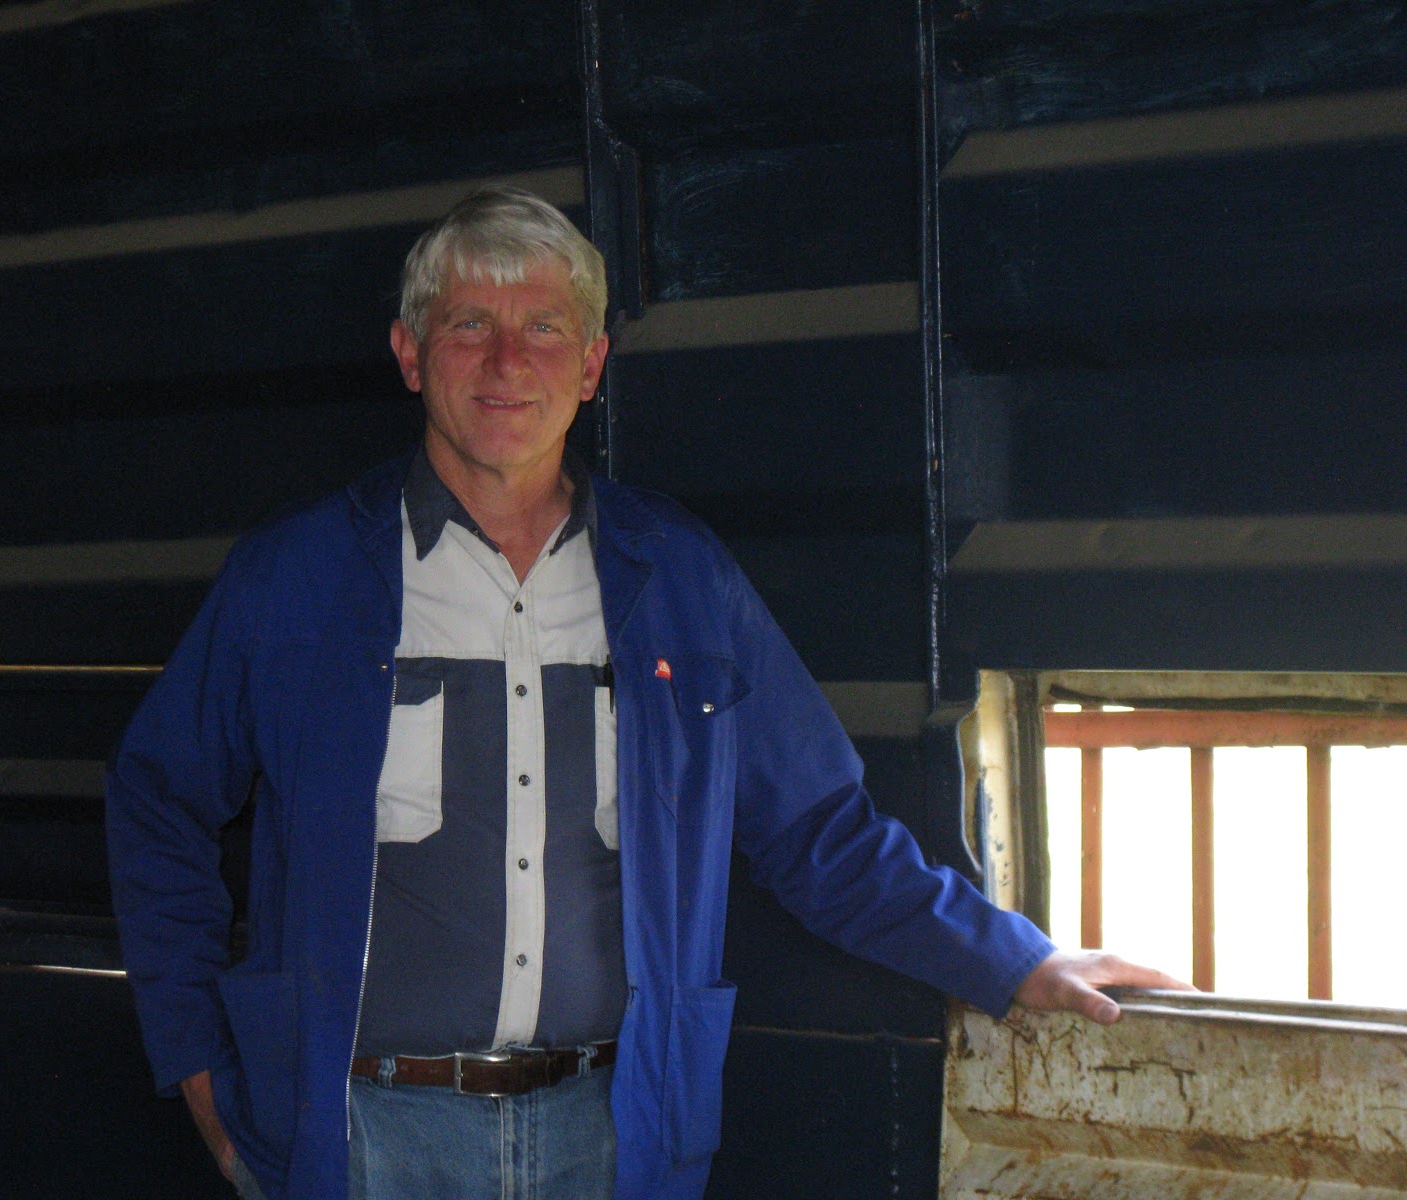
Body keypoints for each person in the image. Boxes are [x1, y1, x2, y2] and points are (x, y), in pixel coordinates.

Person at [105, 185, 1186, 1200]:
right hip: (358, 1136)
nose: (505, 361)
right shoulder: (295, 578)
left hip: (614, 1132)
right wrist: (195, 1059)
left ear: (590, 365)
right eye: (469, 324)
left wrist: (1011, 956)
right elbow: (158, 798)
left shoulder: (678, 577)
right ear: (409, 352)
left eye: (543, 329)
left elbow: (819, 829)